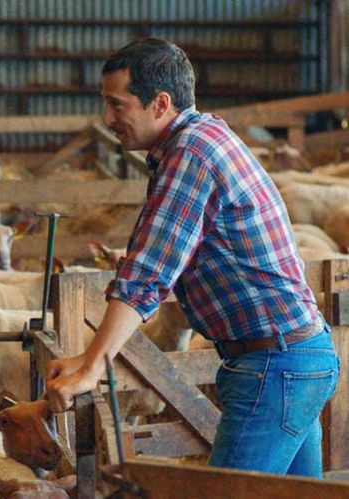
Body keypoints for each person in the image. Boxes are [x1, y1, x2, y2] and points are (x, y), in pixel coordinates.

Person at [45, 37, 339, 477]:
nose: (108, 119)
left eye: (117, 105)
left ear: (160, 103)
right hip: (295, 356)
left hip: (274, 366)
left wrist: (91, 366)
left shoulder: (192, 154)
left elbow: (147, 272)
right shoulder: (202, 138)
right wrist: (90, 357)